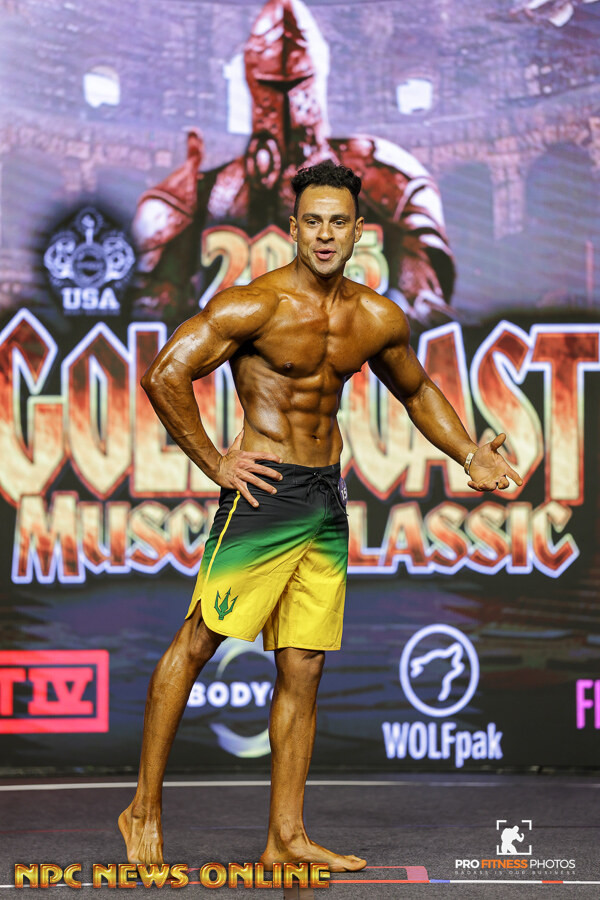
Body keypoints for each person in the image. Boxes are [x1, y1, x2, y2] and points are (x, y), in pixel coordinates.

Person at [118, 160, 522, 871]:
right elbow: (164, 373)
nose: (326, 234)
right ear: (294, 228)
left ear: (360, 230)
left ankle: (285, 837)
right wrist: (215, 462)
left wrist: (467, 453)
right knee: (199, 642)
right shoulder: (254, 306)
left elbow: (416, 389)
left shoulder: (375, 317)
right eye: (313, 221)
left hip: (324, 499)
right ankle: (142, 808)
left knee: (303, 667)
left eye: (339, 221)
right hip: (264, 496)